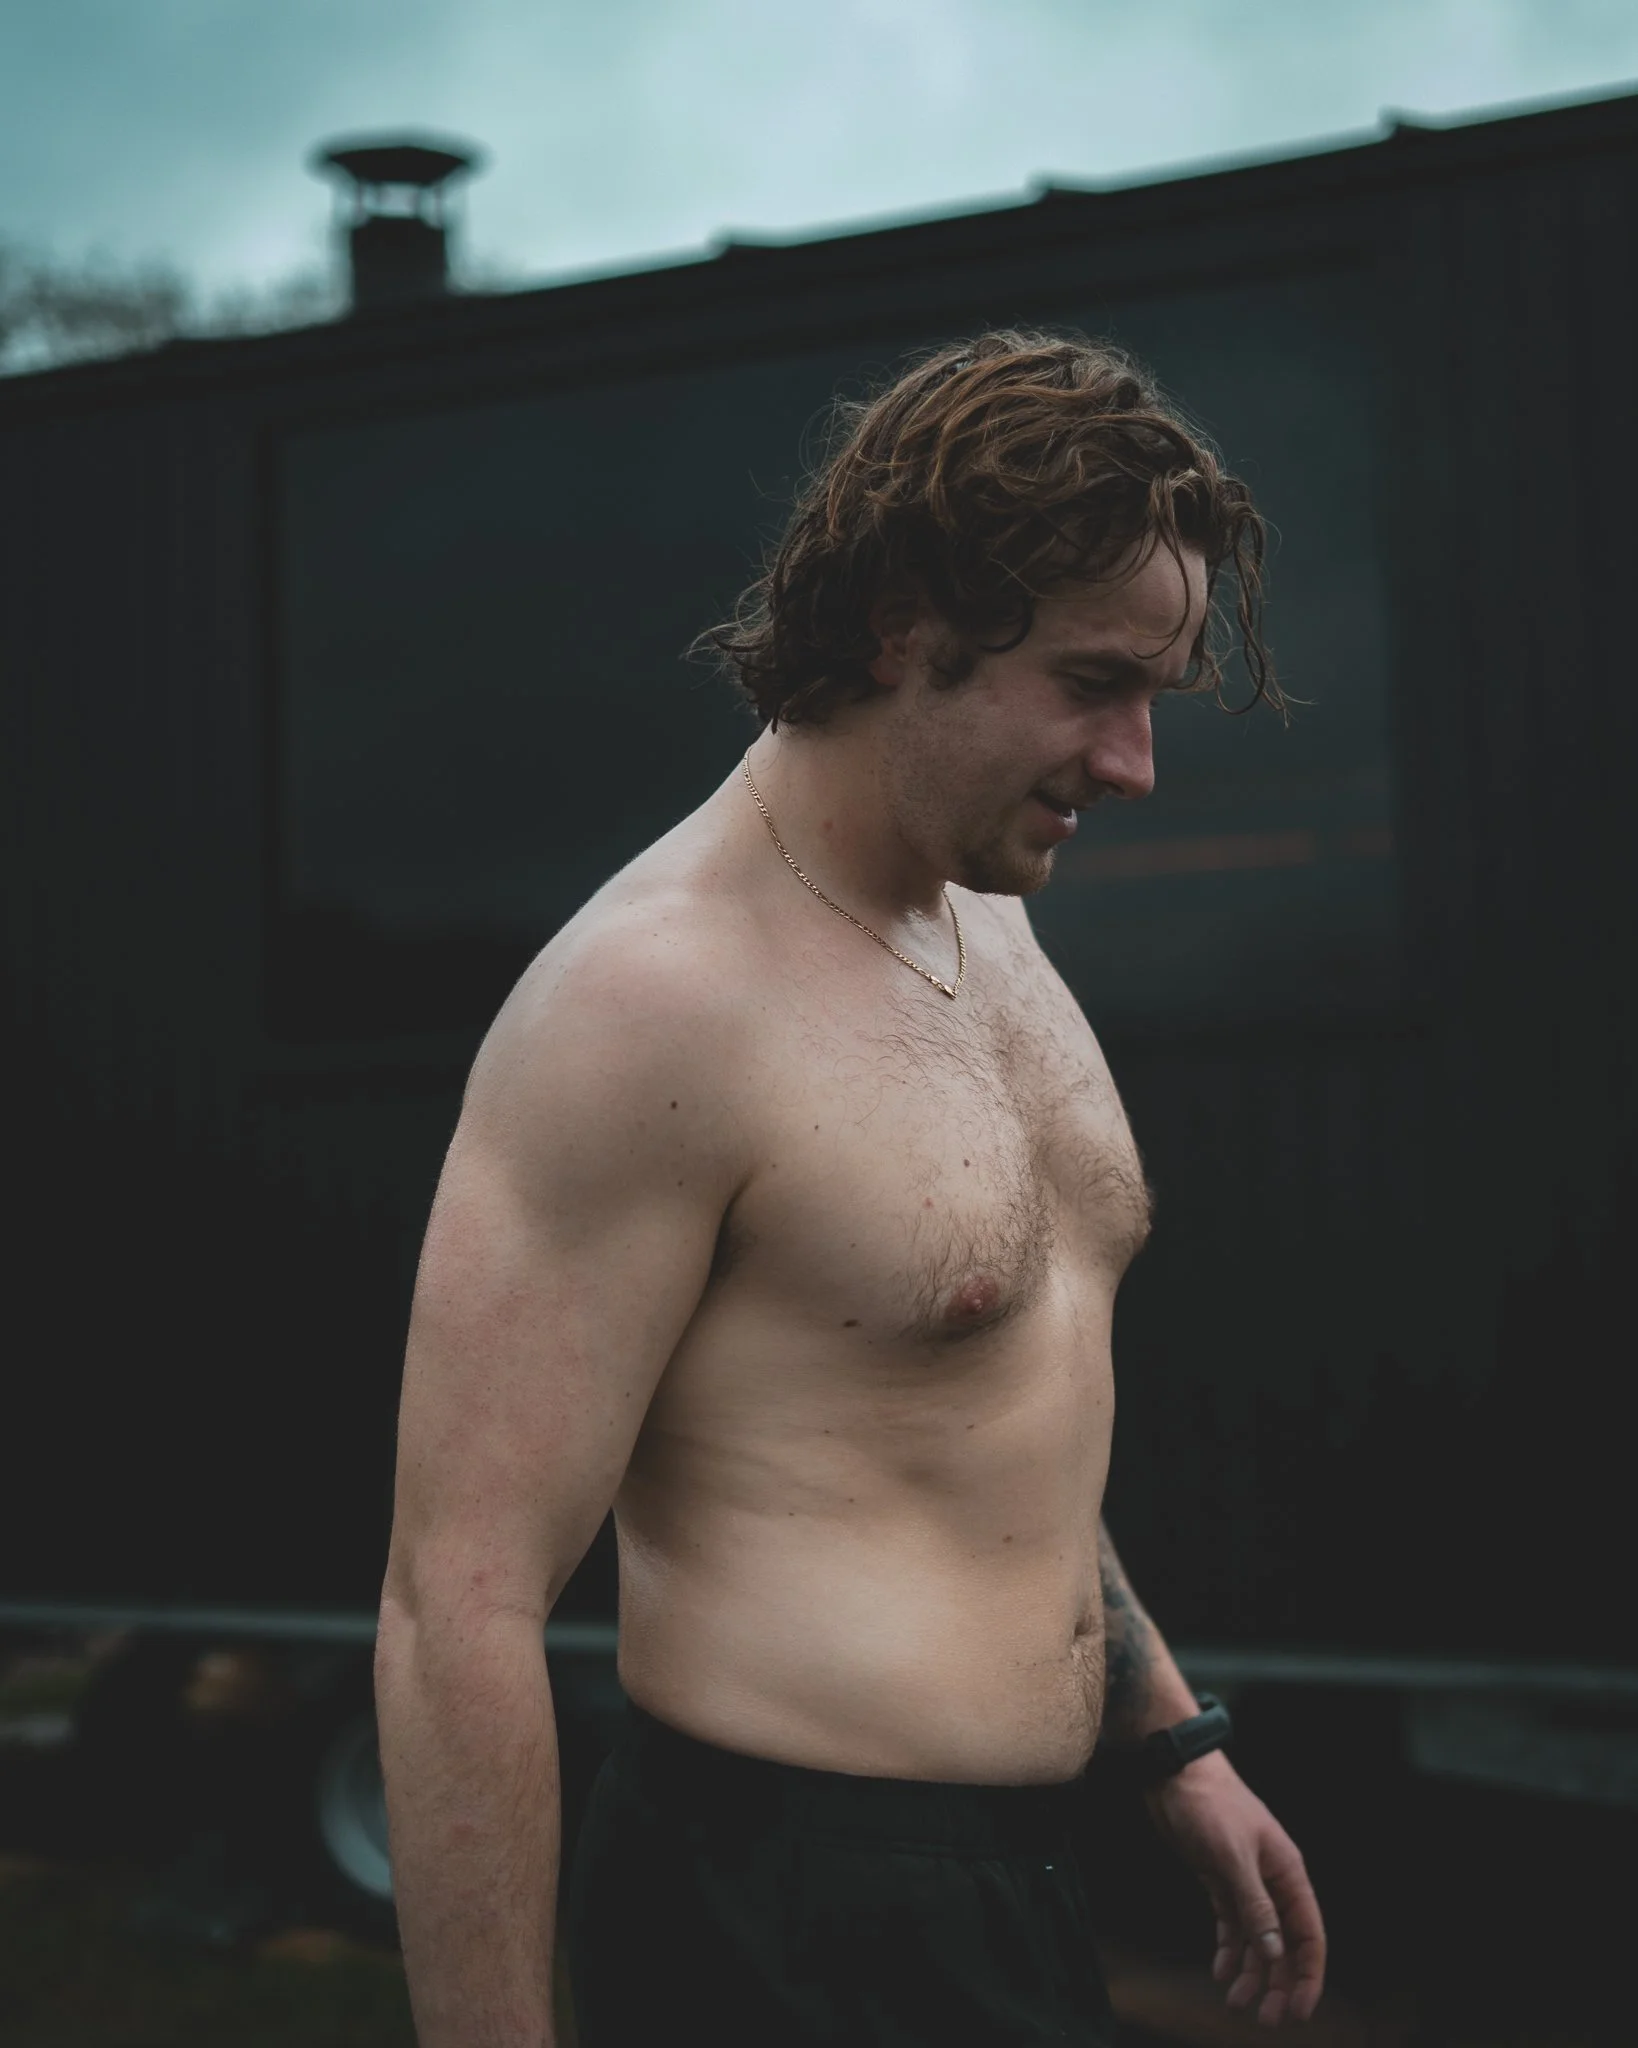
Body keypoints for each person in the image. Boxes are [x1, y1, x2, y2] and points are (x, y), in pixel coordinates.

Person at [375, 330, 1328, 2046]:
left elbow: (983, 1418)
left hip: (1012, 1897)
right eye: (1091, 684)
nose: (1133, 765)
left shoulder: (994, 919)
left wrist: (1172, 1743)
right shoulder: (649, 1004)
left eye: (1153, 698)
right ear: (903, 627)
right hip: (780, 1924)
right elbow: (458, 1606)